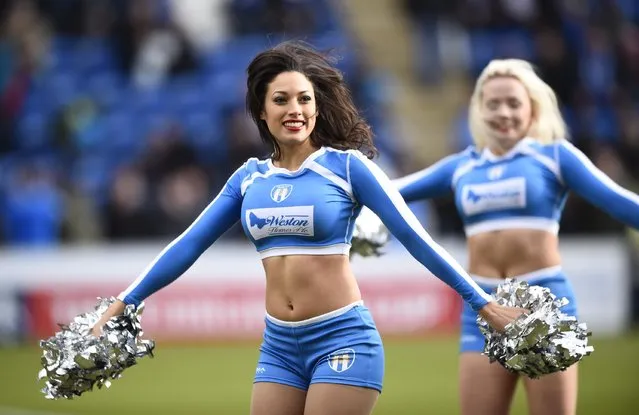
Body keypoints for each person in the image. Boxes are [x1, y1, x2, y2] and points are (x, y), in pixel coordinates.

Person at [90, 42, 523, 415]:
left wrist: (482, 303)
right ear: (261, 110)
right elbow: (188, 245)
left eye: (304, 99)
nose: (294, 110)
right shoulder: (248, 179)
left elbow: (417, 239)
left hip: (343, 340)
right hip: (278, 346)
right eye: (281, 100)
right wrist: (126, 301)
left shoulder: (348, 168)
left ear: (317, 106)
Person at [388, 58, 639, 415]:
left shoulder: (555, 157)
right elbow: (385, 192)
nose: (503, 112)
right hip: (481, 308)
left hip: (546, 306)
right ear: (478, 110)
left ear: (532, 109)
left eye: (513, 103)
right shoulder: (462, 166)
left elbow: (620, 202)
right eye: (493, 104)